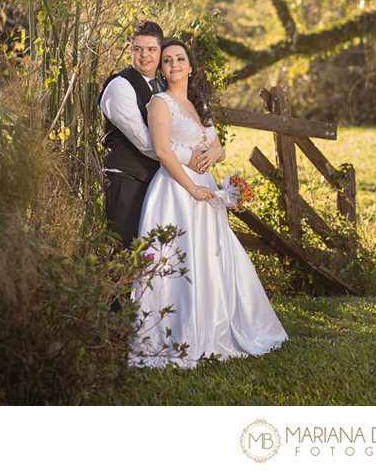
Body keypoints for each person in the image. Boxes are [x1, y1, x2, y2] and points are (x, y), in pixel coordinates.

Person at [129, 39, 288, 367]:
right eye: (168, 60)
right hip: (176, 191)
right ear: (162, 69)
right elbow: (162, 151)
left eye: (180, 59)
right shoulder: (160, 103)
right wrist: (192, 188)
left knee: (209, 256)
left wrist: (215, 154)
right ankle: (177, 335)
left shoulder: (197, 105)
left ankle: (215, 324)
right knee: (179, 257)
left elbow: (217, 147)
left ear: (189, 67)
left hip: (206, 190)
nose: (173, 64)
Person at [99, 21, 207, 251]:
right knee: (123, 258)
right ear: (130, 51)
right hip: (127, 183)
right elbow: (146, 142)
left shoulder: (162, 86)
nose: (144, 55)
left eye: (151, 49)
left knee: (153, 261)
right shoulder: (120, 87)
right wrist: (189, 157)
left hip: (158, 186)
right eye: (138, 49)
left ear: (160, 53)